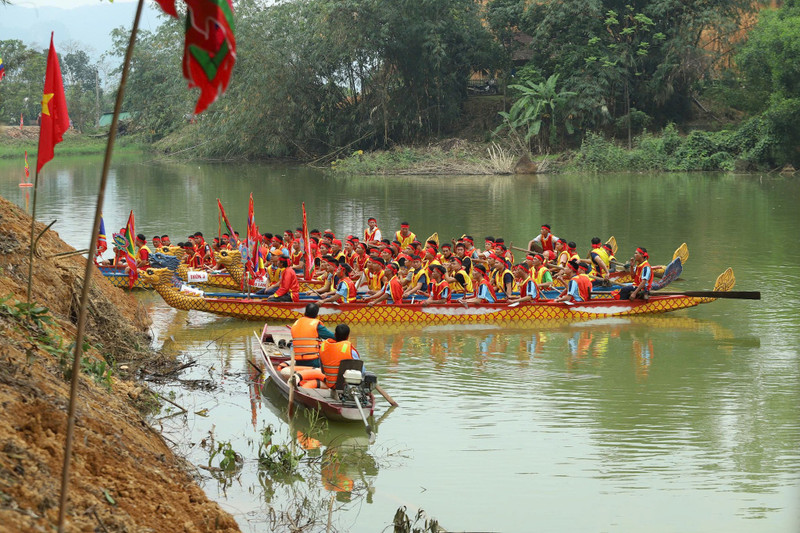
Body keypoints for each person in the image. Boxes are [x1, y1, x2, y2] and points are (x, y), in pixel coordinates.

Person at [289, 303, 335, 368]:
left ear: (305, 312)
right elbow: (333, 337)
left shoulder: (296, 323)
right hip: (313, 360)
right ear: (316, 314)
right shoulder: (316, 324)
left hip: (298, 359)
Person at [319, 324, 362, 389]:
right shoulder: (350, 350)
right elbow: (361, 370)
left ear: (335, 335)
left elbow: (322, 370)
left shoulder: (323, 348)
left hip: (330, 384)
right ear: (347, 337)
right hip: (346, 385)